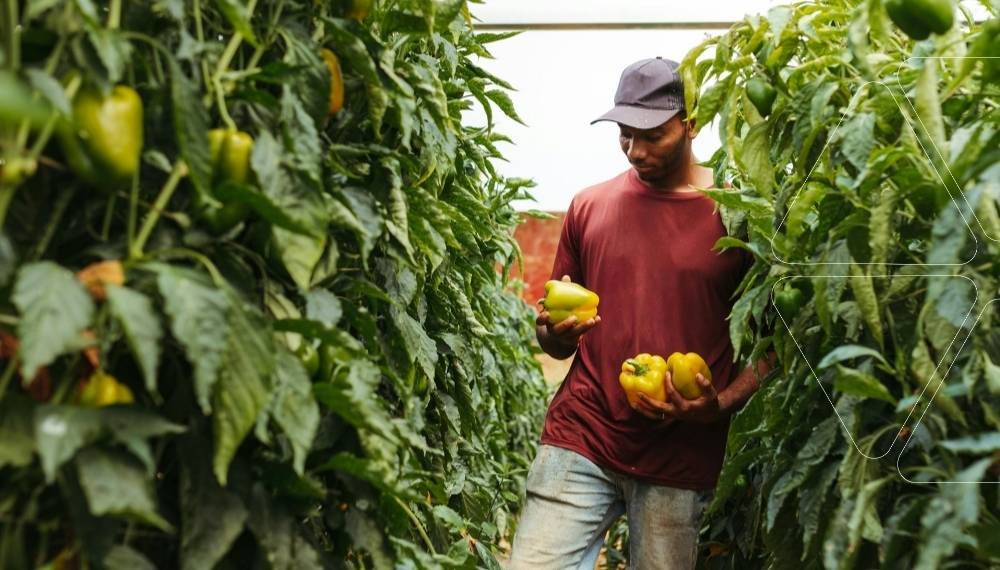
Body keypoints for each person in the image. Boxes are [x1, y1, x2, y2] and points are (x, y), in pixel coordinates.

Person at [507, 57, 775, 569]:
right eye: (625, 135)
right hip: (582, 433)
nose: (636, 151)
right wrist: (555, 334)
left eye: (652, 136)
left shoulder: (738, 215)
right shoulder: (589, 207)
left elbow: (772, 345)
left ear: (691, 124)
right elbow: (555, 340)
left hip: (681, 454)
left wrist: (719, 405)